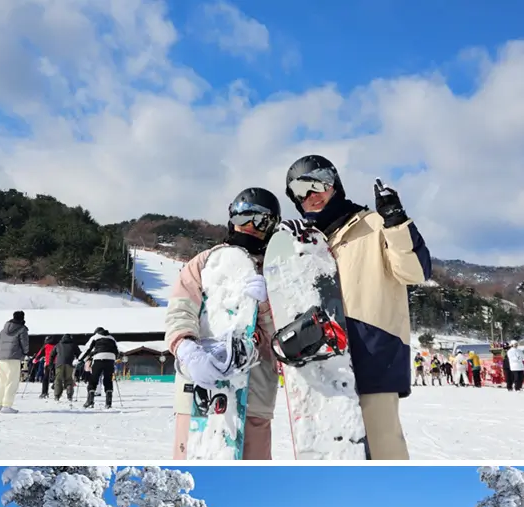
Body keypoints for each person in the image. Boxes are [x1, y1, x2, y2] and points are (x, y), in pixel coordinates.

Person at [284, 155, 432, 460]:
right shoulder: (310, 244)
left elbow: (416, 271)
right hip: (326, 366)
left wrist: (396, 222)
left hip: (375, 354)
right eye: (298, 193)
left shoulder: (374, 225)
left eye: (314, 185)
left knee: (383, 450)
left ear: (333, 184)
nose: (309, 197)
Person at [166, 187, 280, 460]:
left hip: (254, 396)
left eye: (261, 221)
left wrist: (266, 305)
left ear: (272, 226)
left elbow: (283, 339)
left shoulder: (278, 269)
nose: (251, 227)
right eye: (244, 218)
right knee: (194, 459)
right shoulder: (204, 263)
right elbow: (180, 311)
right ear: (232, 220)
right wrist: (187, 350)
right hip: (197, 393)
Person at [0, 310, 29, 413]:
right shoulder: (22, 329)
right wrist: (25, 353)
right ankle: (7, 405)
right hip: (14, 357)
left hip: (2, 358)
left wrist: (0, 354)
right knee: (12, 381)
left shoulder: (3, 330)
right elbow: (25, 344)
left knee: (1, 381)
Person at [79, 327, 119, 408]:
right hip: (110, 359)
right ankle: (108, 403)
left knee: (93, 379)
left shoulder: (95, 337)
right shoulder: (111, 338)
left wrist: (80, 359)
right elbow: (116, 351)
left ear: (96, 332)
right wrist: (113, 359)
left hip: (99, 359)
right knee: (108, 379)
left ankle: (90, 401)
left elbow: (87, 349)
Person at [53, 334, 80, 402]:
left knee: (58, 380)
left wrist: (50, 364)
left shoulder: (58, 345)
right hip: (69, 364)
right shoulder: (73, 345)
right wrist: (79, 360)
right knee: (69, 379)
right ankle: (69, 395)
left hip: (59, 364)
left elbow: (52, 354)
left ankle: (57, 396)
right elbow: (79, 354)